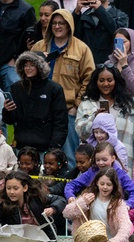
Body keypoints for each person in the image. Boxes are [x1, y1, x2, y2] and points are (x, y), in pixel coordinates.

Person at [30, 9, 93, 164]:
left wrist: (77, 105)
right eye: (54, 23)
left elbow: (90, 79)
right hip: (40, 109)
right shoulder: (39, 46)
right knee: (37, 155)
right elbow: (26, 73)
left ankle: (69, 186)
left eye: (61, 23)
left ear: (69, 25)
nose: (57, 27)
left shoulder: (81, 49)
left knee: (69, 155)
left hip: (68, 110)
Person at [74, 64, 134, 169]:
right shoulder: (87, 104)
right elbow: (81, 133)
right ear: (96, 82)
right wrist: (94, 118)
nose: (106, 84)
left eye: (109, 80)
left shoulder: (129, 104)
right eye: (101, 80)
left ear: (116, 81)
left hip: (122, 162)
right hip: (94, 164)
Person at [3, 51, 68, 154]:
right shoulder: (17, 88)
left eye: (32, 65)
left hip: (45, 149)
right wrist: (7, 110)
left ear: (40, 67)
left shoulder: (54, 89)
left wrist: (55, 147)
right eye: (25, 65)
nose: (28, 68)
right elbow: (10, 120)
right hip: (22, 147)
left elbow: (60, 122)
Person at [65, 141, 134, 206]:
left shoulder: (121, 174)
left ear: (113, 158)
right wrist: (70, 196)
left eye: (104, 160)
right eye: (97, 160)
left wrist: (127, 205)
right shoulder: (92, 171)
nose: (101, 163)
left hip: (113, 212)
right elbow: (71, 184)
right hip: (93, 212)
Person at [0, 0, 35, 90]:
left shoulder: (25, 9)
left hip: (10, 63)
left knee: (15, 91)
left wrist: (16, 58)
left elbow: (30, 37)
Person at [108, 28, 134, 114]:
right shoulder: (108, 63)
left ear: (132, 43)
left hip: (131, 109)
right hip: (111, 107)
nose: (119, 45)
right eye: (117, 42)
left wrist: (125, 65)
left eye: (124, 42)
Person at [72, 0, 117, 64]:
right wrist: (76, 13)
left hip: (108, 65)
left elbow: (117, 32)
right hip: (86, 62)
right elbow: (73, 37)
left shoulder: (119, 15)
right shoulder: (84, 16)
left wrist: (100, 10)